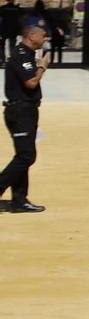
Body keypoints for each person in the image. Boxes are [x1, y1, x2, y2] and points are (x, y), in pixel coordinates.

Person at [0, 19, 48, 213]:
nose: (45, 38)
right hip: (21, 111)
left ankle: (19, 200)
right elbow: (31, 83)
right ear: (31, 36)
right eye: (42, 35)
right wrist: (43, 67)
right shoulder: (21, 54)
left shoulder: (26, 54)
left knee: (23, 155)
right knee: (27, 156)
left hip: (25, 110)